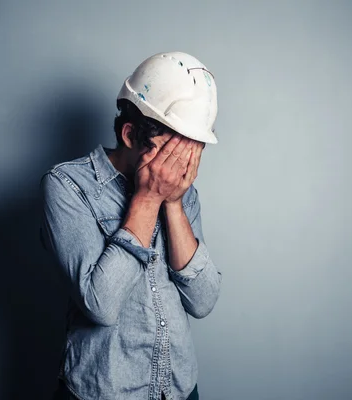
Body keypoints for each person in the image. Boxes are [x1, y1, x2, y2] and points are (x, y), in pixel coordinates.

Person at [40, 52, 222, 400]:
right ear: (129, 134)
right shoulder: (66, 185)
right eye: (170, 154)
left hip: (179, 391)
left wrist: (172, 201)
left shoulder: (183, 192)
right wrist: (149, 198)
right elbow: (101, 304)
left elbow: (202, 300)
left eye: (190, 154)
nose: (180, 167)